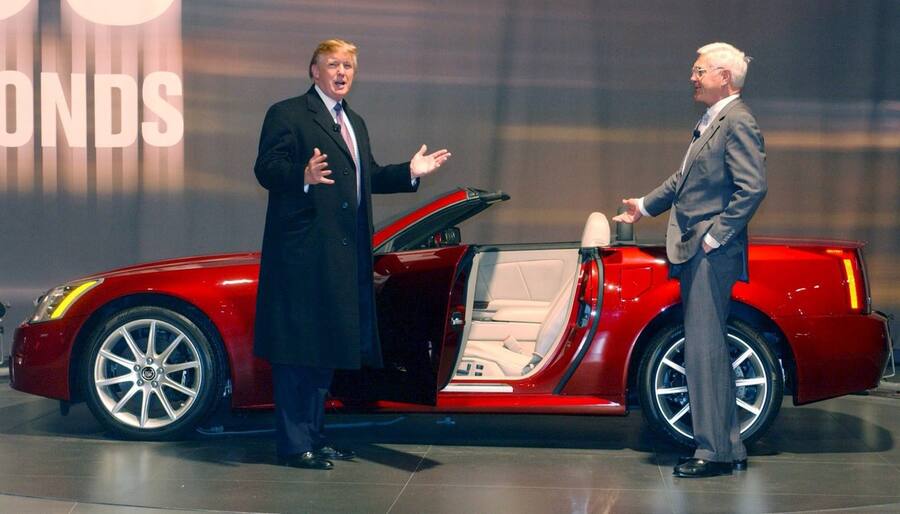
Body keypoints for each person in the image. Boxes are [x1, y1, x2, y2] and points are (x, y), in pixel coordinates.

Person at [253, 39, 451, 470]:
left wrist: (410, 173)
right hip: (304, 259)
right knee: (298, 355)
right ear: (314, 71)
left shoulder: (354, 122)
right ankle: (293, 444)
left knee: (325, 355)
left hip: (343, 262)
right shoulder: (287, 113)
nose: (341, 72)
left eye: (348, 66)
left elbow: (369, 177)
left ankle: (315, 437)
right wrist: (301, 175)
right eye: (332, 65)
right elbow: (266, 168)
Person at [613, 42, 766, 478]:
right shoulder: (716, 120)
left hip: (709, 251)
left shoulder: (738, 121)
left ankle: (714, 451)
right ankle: (726, 447)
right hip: (698, 248)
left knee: (705, 349)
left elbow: (752, 188)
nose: (692, 78)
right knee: (706, 349)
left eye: (699, 71)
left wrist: (717, 236)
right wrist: (643, 205)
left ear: (724, 77)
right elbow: (687, 178)